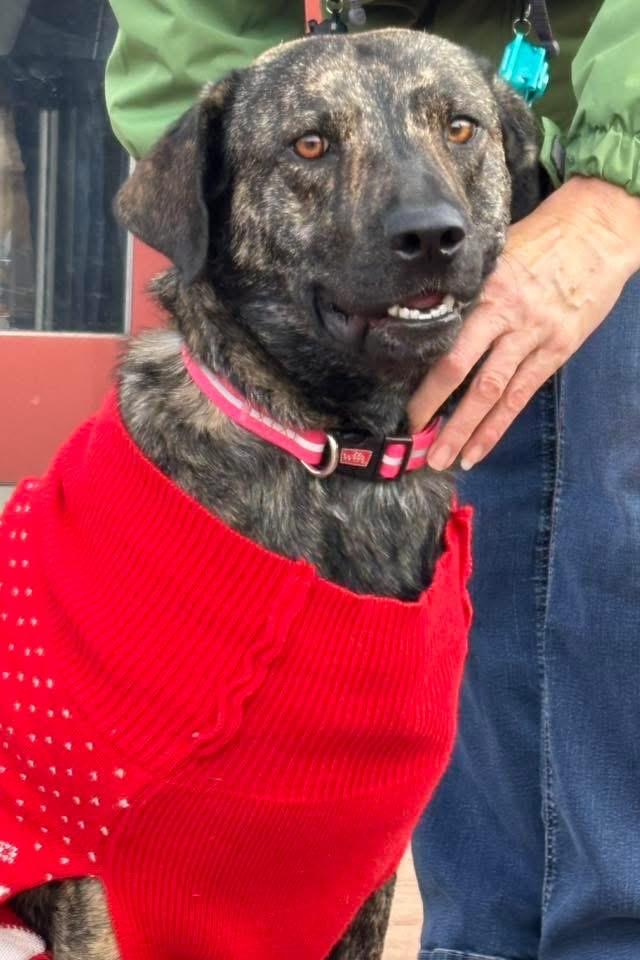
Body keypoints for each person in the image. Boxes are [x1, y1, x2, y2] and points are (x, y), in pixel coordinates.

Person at [106, 3, 640, 958]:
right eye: (315, 146)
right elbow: (187, 37)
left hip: (598, 101)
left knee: (599, 531)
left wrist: (615, 189)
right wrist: (262, 138)